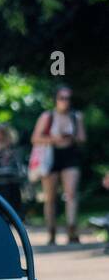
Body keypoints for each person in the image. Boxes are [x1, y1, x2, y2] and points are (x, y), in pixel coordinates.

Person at [31, 85, 86, 244]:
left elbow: (82, 138)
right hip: (51, 156)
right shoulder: (47, 116)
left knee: (71, 194)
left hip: (70, 156)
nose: (65, 101)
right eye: (62, 98)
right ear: (56, 100)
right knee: (50, 198)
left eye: (68, 98)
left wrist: (71, 137)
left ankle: (71, 230)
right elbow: (35, 138)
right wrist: (54, 139)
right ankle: (52, 231)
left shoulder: (76, 116)